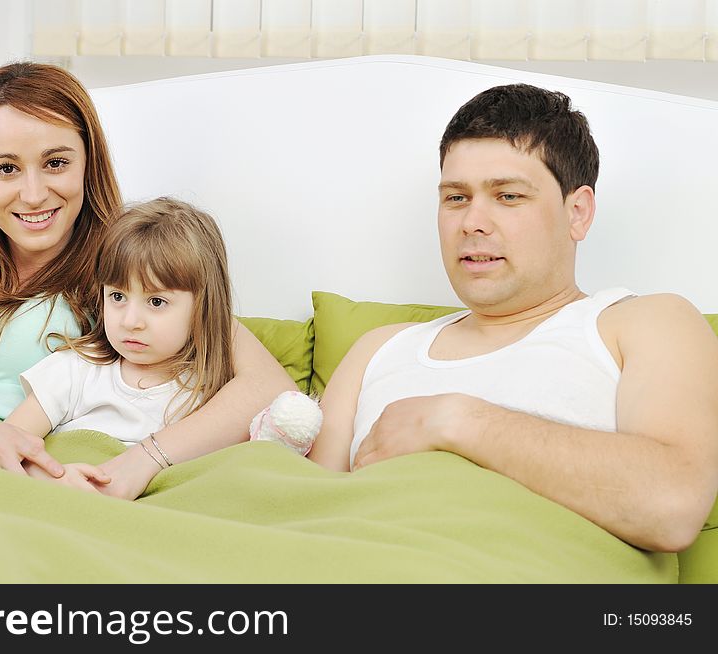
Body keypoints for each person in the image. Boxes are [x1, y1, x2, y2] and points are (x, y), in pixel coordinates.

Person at [0, 62, 295, 500]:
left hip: (5, 479)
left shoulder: (121, 276)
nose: (33, 194)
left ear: (87, 164)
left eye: (55, 163)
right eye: (5, 169)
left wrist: (144, 461)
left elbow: (268, 386)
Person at [308, 83, 718, 553]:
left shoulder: (645, 323)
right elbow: (308, 514)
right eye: (456, 198)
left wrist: (457, 420)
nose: (472, 223)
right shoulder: (378, 350)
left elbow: (672, 504)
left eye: (507, 196)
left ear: (578, 213)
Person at [4, 197, 235, 493]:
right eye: (117, 297)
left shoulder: (210, 394)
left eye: (156, 301)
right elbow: (6, 443)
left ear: (203, 306)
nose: (130, 320)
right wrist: (51, 476)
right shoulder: (77, 369)